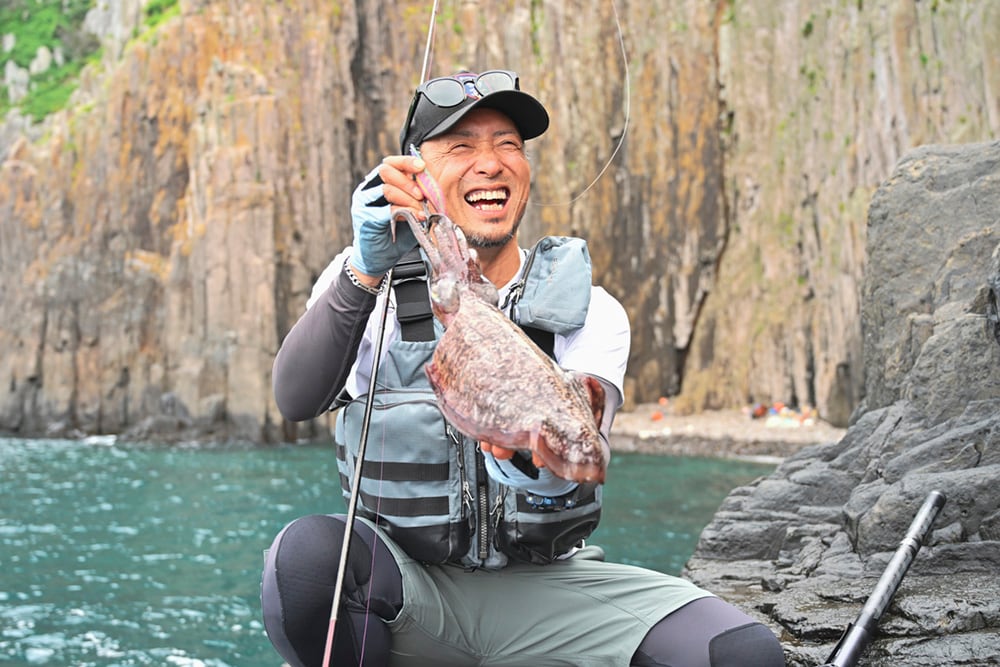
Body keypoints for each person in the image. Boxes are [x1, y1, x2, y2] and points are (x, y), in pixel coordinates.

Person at [262, 69, 785, 667]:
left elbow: (577, 461)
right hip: (411, 587)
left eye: (507, 143)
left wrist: (519, 454)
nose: (490, 163)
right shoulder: (363, 281)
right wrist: (363, 266)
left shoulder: (590, 308)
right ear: (415, 177)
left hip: (551, 590)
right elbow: (296, 397)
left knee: (741, 654)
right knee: (305, 564)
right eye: (461, 146)